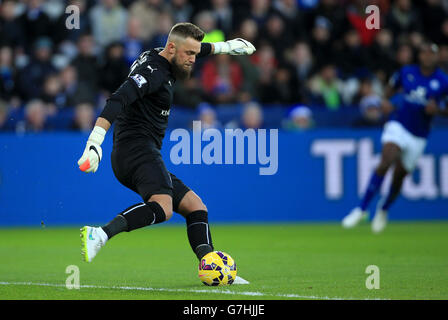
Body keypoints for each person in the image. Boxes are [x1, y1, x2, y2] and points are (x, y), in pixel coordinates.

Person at [77, 23, 255, 263]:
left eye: (195, 53)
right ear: (172, 48)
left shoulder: (164, 54)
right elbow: (118, 99)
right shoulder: (154, 72)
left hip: (141, 151)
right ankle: (100, 234)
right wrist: (95, 142)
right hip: (135, 150)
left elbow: (197, 47)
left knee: (196, 206)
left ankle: (210, 265)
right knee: (163, 207)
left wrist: (227, 47)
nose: (193, 59)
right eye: (189, 54)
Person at [342, 42, 448, 233]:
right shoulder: (406, 72)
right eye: (424, 53)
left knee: (399, 177)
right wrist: (385, 102)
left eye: (431, 54)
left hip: (419, 134)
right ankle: (362, 208)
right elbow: (389, 91)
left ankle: (383, 209)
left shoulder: (443, 81)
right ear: (420, 56)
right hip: (398, 123)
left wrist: (438, 110)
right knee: (386, 160)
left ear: (436, 57)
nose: (427, 57)